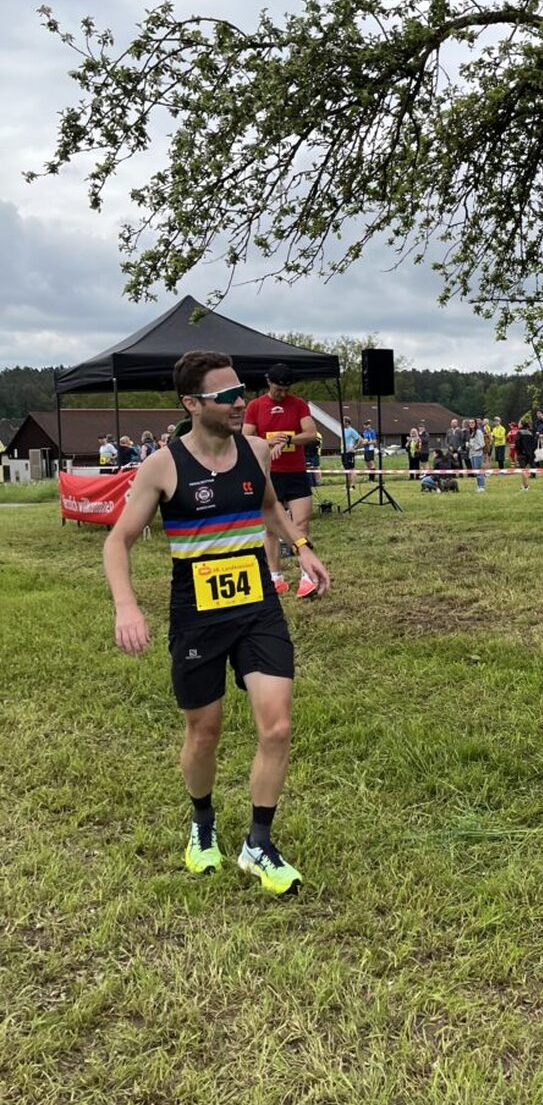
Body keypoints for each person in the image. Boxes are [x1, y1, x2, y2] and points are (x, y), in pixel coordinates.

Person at [103, 350, 330, 896]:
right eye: (226, 396)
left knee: (276, 725)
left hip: (257, 607)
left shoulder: (256, 450)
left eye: (241, 392)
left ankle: (258, 844)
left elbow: (269, 508)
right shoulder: (163, 465)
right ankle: (202, 824)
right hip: (197, 614)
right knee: (204, 731)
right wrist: (127, 606)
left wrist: (302, 547)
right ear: (192, 403)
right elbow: (118, 540)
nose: (240, 403)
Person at [243, 363, 320, 599]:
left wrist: (286, 440)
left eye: (286, 390)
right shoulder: (255, 406)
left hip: (295, 471)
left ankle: (307, 577)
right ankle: (275, 577)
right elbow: (245, 438)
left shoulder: (298, 404)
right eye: (278, 389)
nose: (282, 394)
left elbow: (310, 433)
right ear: (269, 382)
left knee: (302, 523)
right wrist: (268, 442)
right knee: (270, 527)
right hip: (269, 473)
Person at [465, 416, 487, 492]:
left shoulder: (478, 432)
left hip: (477, 454)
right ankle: (478, 486)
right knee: (475, 471)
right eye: (470, 423)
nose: (471, 424)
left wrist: (473, 446)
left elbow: (482, 444)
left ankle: (482, 486)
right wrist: (468, 444)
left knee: (478, 471)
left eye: (472, 422)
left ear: (475, 423)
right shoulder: (471, 433)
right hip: (472, 454)